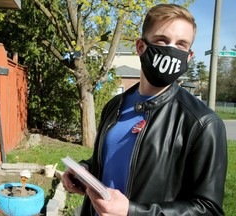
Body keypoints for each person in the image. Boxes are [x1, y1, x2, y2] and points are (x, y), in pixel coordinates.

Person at [62, 3, 227, 216]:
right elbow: (111, 162)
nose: (171, 50)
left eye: (181, 44)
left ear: (189, 56)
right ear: (141, 47)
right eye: (162, 40)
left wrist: (133, 211)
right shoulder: (115, 105)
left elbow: (209, 209)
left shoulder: (202, 123)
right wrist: (84, 171)